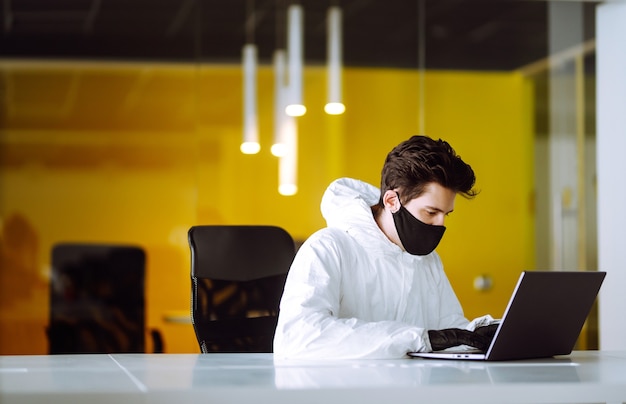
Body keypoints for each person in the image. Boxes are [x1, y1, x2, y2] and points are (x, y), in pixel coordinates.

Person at [273, 135, 498, 359]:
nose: (441, 224)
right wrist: (418, 339)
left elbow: (449, 332)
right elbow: (299, 337)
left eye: (446, 214)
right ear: (391, 201)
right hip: (345, 391)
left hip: (412, 390)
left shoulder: (427, 260)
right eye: (431, 212)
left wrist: (484, 333)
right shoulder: (328, 248)